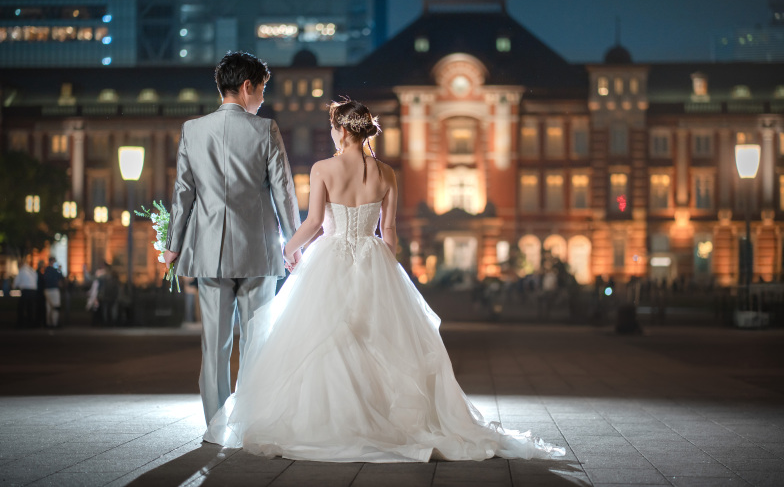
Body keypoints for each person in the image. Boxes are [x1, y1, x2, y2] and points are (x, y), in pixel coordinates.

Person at [203, 99, 565, 462]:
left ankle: (335, 416)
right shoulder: (387, 174)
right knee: (378, 339)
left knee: (326, 336)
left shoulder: (323, 169)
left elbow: (313, 224)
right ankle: (382, 414)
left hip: (330, 257)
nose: (332, 133)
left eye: (333, 127)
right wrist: (390, 270)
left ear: (343, 130)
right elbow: (388, 231)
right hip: (372, 255)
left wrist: (289, 250)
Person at [163, 51, 301, 426]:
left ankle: (216, 427)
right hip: (258, 251)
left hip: (209, 251)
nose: (263, 99)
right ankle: (250, 422)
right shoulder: (265, 129)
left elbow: (183, 193)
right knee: (257, 342)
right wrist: (294, 243)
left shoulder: (193, 130)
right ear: (246, 87)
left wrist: (172, 246)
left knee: (215, 346)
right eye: (262, 90)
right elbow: (284, 191)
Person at [12, 258, 38, 328]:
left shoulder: (22, 271)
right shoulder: (31, 270)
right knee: (30, 307)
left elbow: (16, 281)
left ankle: (20, 323)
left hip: (26, 290)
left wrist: (13, 286)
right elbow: (36, 278)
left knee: (21, 307)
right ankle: (31, 323)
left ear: (19, 265)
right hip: (33, 290)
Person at [43, 257, 64, 328]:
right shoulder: (54, 270)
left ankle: (48, 323)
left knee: (48, 307)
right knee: (55, 307)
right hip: (54, 290)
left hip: (47, 290)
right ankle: (54, 323)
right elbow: (61, 276)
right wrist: (59, 269)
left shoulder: (46, 270)